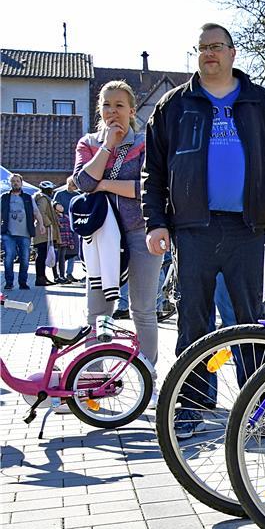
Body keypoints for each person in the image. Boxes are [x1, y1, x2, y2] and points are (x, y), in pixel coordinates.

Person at [142, 22, 265, 438]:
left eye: (216, 46)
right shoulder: (173, 106)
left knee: (250, 321)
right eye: (201, 48)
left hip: (246, 229)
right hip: (192, 229)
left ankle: (258, 408)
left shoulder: (259, 101)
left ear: (233, 52)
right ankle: (192, 406)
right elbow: (154, 170)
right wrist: (155, 222)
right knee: (193, 322)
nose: (208, 54)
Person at [74, 80, 162, 366]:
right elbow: (84, 182)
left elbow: (144, 188)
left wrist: (104, 184)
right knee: (98, 312)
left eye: (119, 105)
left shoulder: (144, 144)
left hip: (139, 232)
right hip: (101, 236)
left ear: (132, 111)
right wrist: (108, 146)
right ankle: (93, 376)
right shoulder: (88, 143)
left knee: (143, 310)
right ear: (99, 110)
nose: (112, 111)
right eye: (107, 105)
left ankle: (148, 373)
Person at [1, 174, 43, 290]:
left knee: (24, 259)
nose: (15, 183)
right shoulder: (4, 197)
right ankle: (9, 282)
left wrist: (42, 225)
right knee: (9, 257)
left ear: (21, 183)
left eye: (17, 181)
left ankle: (22, 282)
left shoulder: (28, 198)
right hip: (8, 234)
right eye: (13, 181)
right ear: (10, 183)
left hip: (25, 234)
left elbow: (36, 212)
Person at [53, 177, 82, 284]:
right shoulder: (59, 194)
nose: (71, 187)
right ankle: (60, 274)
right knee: (61, 251)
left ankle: (69, 273)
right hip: (62, 226)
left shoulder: (77, 195)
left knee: (73, 250)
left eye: (73, 185)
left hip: (73, 225)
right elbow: (54, 206)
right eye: (70, 184)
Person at [32, 180, 61, 286]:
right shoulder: (43, 199)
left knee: (43, 255)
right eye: (51, 189)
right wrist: (49, 224)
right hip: (44, 232)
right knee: (42, 255)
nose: (52, 191)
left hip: (44, 231)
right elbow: (40, 212)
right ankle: (40, 279)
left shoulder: (45, 198)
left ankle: (43, 277)